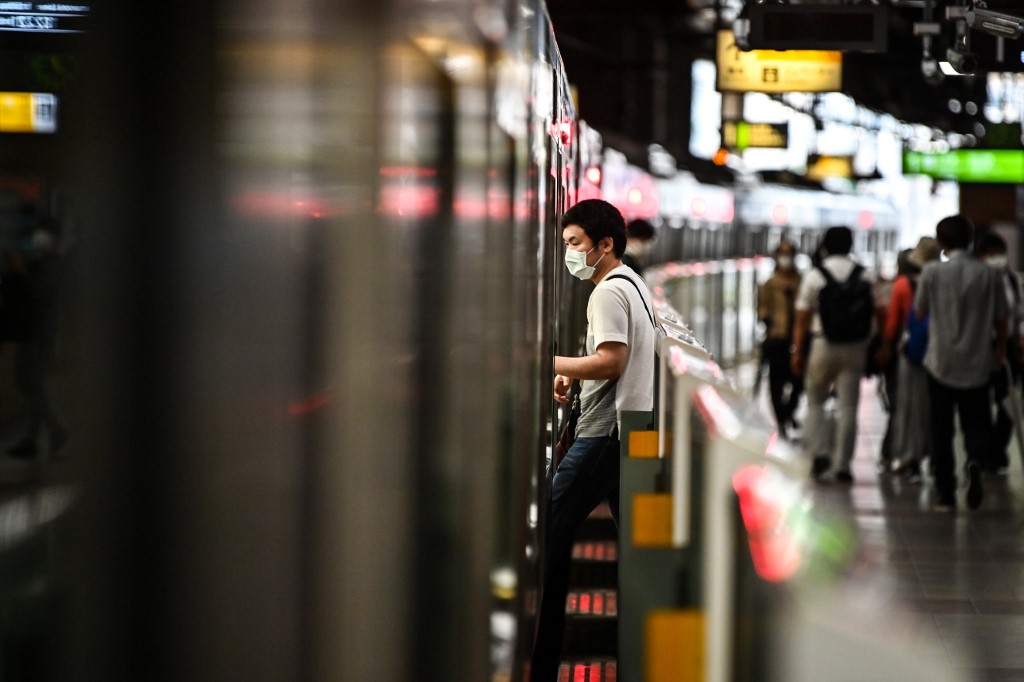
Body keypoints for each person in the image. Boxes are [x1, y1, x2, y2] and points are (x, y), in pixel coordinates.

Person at [532, 199, 657, 682]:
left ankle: (527, 649)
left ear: (605, 244)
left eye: (575, 244)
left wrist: (554, 365)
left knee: (545, 534)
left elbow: (611, 361)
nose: (569, 253)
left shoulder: (606, 292)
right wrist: (576, 381)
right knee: (637, 548)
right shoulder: (634, 285)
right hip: (623, 432)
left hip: (603, 436)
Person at [916, 214, 1008, 511]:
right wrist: (1000, 351)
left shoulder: (931, 273)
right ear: (970, 240)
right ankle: (975, 462)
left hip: (940, 362)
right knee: (977, 422)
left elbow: (919, 311)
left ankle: (946, 492)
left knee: (941, 429)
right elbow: (1001, 317)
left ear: (942, 242)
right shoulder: (988, 274)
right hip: (977, 363)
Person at [790, 226, 885, 484]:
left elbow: (802, 317)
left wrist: (797, 351)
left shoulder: (815, 275)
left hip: (822, 344)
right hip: (855, 348)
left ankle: (819, 455)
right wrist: (881, 344)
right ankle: (844, 466)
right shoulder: (865, 275)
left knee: (815, 400)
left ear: (825, 246)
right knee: (849, 407)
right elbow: (880, 312)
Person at [876, 237, 942, 482]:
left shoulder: (903, 285)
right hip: (939, 353)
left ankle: (910, 459)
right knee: (935, 410)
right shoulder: (941, 280)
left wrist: (885, 347)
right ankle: (937, 460)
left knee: (908, 406)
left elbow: (893, 324)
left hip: (912, 353)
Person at [976, 231, 1023, 476]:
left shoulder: (1013, 281)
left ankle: (996, 450)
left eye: (999, 253)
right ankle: (986, 454)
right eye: (991, 253)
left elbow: (1018, 313)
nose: (997, 258)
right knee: (981, 403)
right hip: (983, 348)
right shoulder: (977, 281)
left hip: (1010, 348)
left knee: (1009, 403)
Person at [757, 238, 803, 439]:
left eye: (789, 254)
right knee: (776, 384)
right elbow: (761, 308)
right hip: (776, 339)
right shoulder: (769, 284)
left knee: (798, 382)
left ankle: (789, 412)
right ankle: (781, 420)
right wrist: (767, 318)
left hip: (798, 340)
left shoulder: (801, 282)